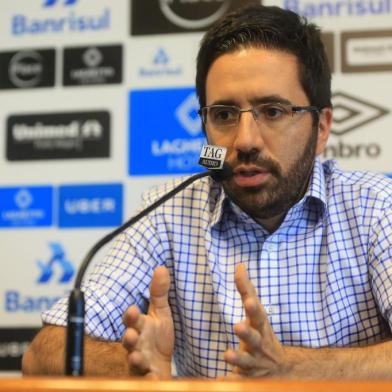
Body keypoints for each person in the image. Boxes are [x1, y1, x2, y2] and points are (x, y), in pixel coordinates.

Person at [22, 4, 392, 379]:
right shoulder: (168, 213)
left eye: (273, 111)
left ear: (322, 126)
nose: (245, 140)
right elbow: (44, 353)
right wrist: (140, 372)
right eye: (224, 115)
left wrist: (292, 370)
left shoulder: (375, 208)